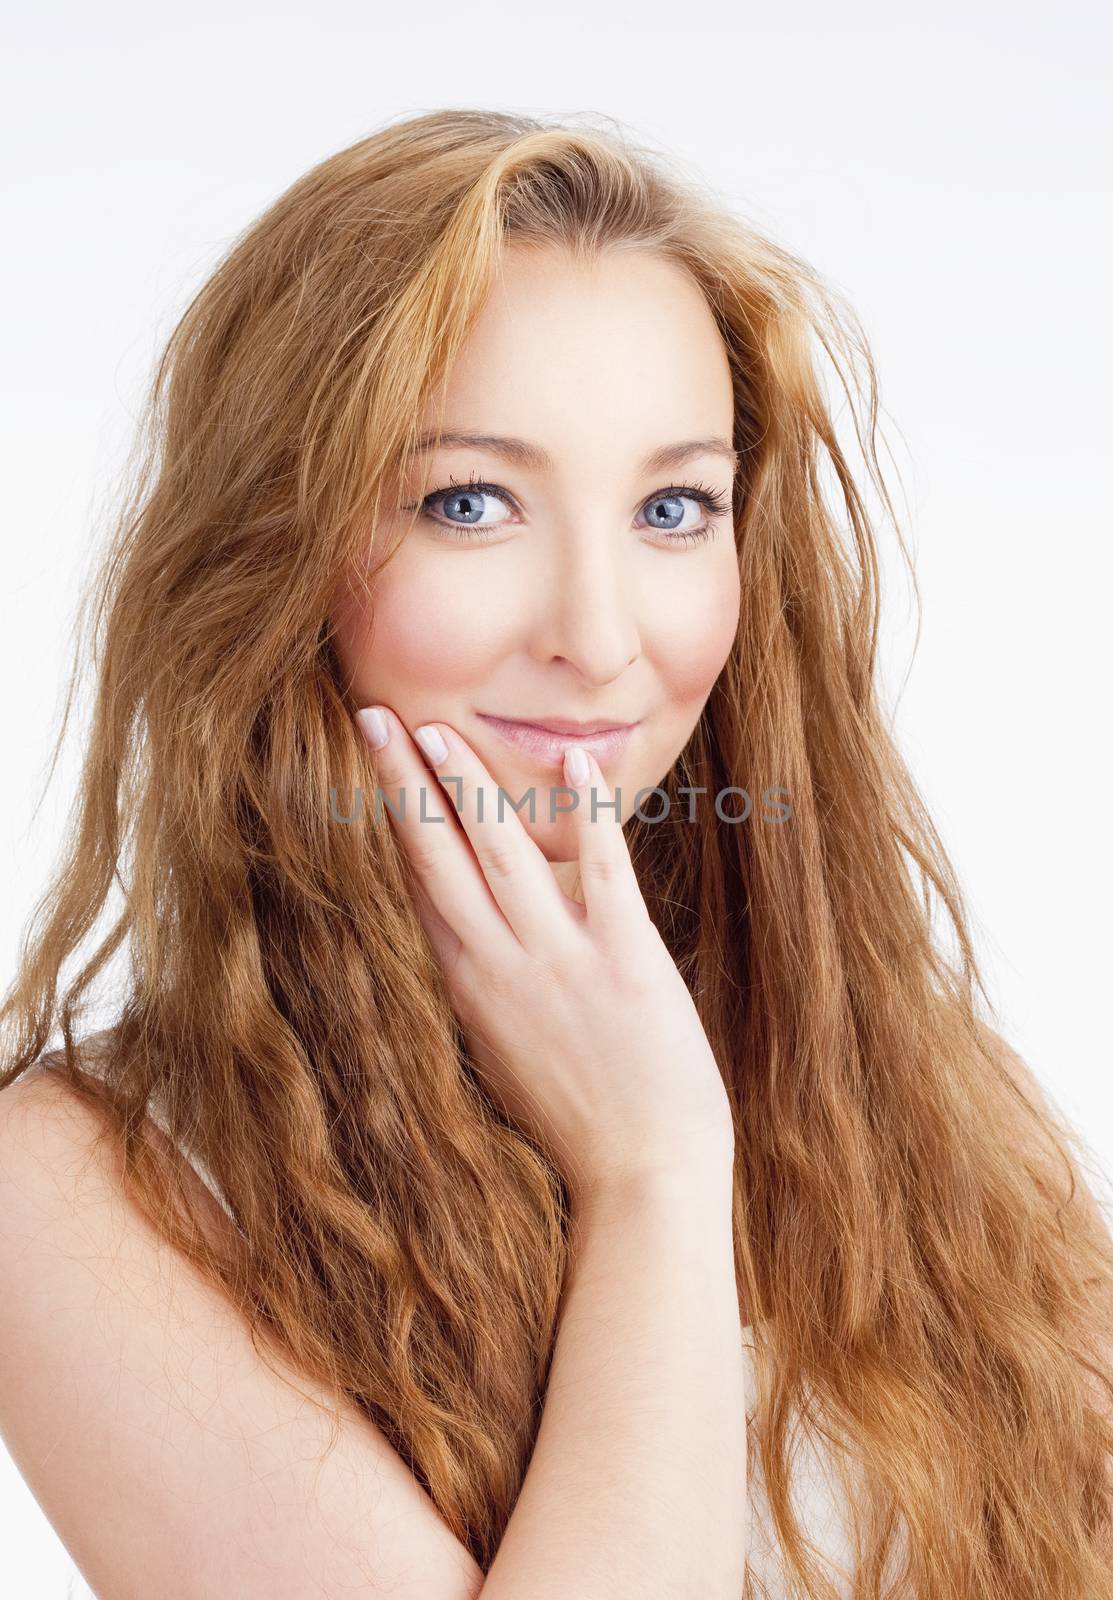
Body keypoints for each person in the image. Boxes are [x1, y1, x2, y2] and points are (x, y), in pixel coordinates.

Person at [0, 107, 1110, 1600]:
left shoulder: (899, 1085)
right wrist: (650, 1170)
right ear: (274, 556)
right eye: (469, 502)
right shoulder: (80, 1193)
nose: (595, 636)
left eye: (673, 508)